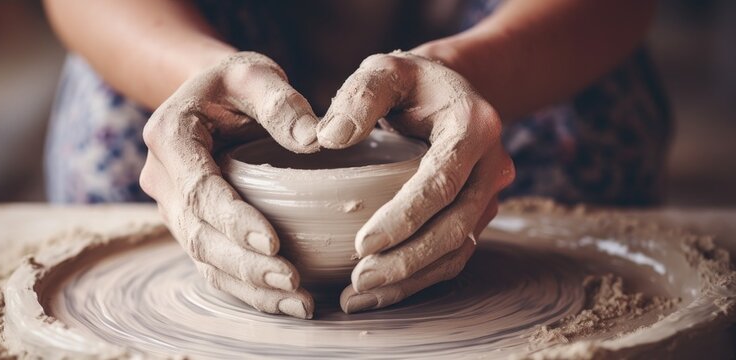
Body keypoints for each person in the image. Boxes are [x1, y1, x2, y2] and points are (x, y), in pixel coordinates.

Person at [43, 0, 670, 318]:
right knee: (123, 139)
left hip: (481, 20)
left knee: (584, 132)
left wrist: (467, 72)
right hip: (215, 19)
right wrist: (192, 74)